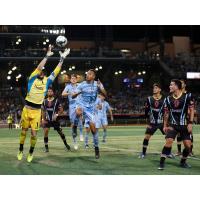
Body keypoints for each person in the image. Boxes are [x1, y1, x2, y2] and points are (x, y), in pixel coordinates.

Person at [17, 45, 70, 163]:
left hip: (36, 112)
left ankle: (30, 152)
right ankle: (20, 150)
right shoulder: (32, 78)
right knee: (23, 132)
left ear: (44, 74)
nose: (40, 71)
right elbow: (39, 66)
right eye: (39, 70)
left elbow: (56, 72)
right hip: (26, 109)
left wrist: (62, 59)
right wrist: (46, 56)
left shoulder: (47, 81)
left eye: (42, 71)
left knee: (34, 134)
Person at [158, 79, 194, 170]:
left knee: (188, 146)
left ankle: (183, 162)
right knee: (169, 141)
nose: (169, 86)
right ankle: (161, 163)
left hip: (184, 125)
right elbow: (166, 113)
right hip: (173, 125)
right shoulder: (167, 99)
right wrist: (165, 125)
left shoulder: (187, 97)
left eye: (171, 85)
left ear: (177, 86)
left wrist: (190, 123)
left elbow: (192, 110)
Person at [72, 69, 107, 159]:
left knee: (93, 130)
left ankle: (96, 148)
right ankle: (75, 127)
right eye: (87, 74)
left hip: (91, 109)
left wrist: (101, 87)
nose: (87, 75)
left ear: (93, 76)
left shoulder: (97, 84)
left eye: (90, 74)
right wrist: (77, 93)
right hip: (81, 104)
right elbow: (73, 96)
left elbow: (105, 95)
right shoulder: (82, 84)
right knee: (78, 111)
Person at [139, 83, 166, 158]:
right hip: (152, 123)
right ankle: (143, 153)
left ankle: (168, 152)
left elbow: (166, 112)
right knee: (146, 137)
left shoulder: (165, 99)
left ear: (160, 89)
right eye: (154, 88)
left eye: (156, 88)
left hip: (162, 122)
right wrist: (147, 122)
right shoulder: (149, 98)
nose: (154, 89)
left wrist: (166, 123)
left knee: (169, 137)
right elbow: (146, 111)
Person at [42, 87, 70, 152]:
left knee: (61, 133)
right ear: (47, 93)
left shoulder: (56, 101)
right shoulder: (44, 101)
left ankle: (66, 144)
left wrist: (57, 114)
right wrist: (43, 119)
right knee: (46, 131)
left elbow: (61, 109)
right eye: (48, 91)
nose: (49, 92)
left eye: (51, 91)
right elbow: (43, 111)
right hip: (47, 120)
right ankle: (46, 148)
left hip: (55, 120)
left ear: (53, 92)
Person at [62, 74, 84, 150]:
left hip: (79, 104)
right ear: (70, 80)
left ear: (76, 79)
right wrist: (69, 93)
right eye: (72, 78)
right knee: (73, 124)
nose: (73, 79)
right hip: (71, 106)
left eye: (75, 78)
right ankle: (75, 142)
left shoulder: (80, 85)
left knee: (80, 116)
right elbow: (63, 94)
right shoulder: (68, 86)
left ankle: (81, 133)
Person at [176, 79, 195, 156]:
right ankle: (179, 151)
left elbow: (192, 106)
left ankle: (190, 151)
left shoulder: (189, 95)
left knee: (189, 133)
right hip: (178, 117)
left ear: (185, 85)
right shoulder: (177, 94)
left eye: (182, 83)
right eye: (180, 83)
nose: (181, 84)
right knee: (178, 134)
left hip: (187, 116)